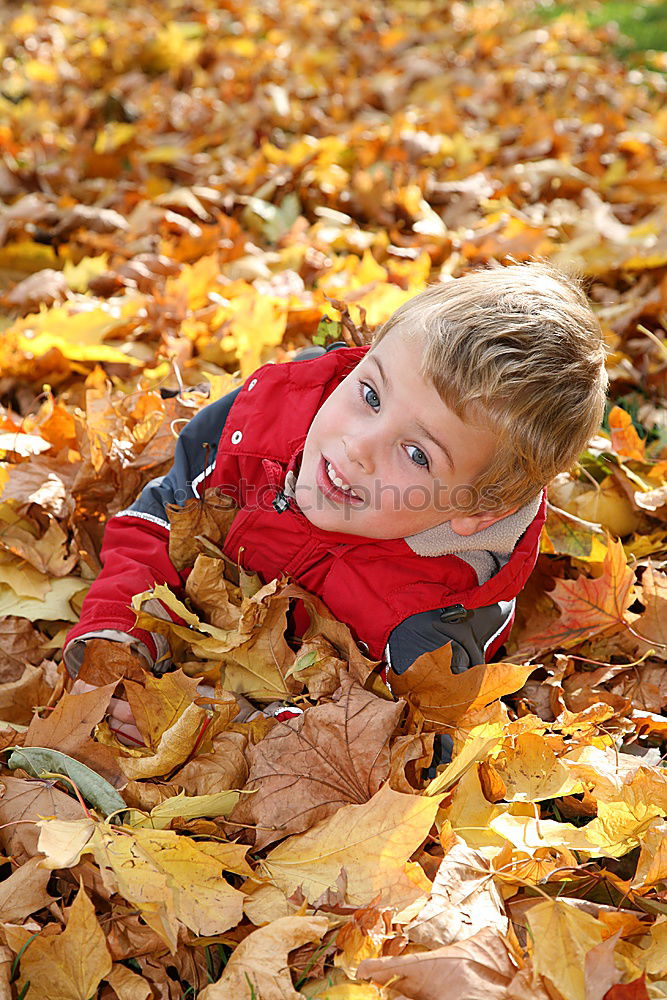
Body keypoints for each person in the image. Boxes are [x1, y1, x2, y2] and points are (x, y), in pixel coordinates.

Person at [64, 260, 608, 748]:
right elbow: (163, 514)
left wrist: (236, 725)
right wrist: (120, 630)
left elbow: (395, 738)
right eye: (371, 395)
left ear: (477, 511)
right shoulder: (264, 425)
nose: (358, 446)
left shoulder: (426, 623)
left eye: (417, 454)